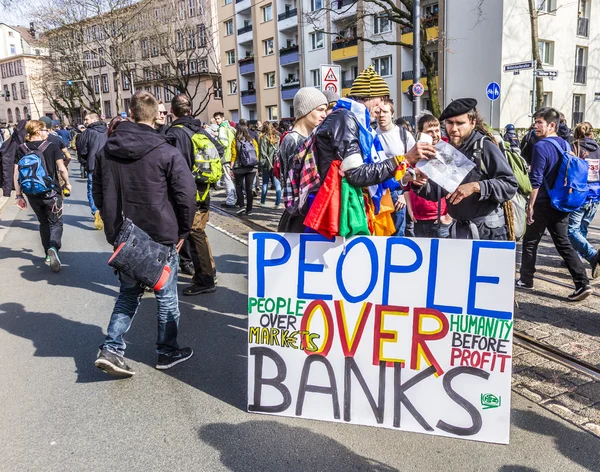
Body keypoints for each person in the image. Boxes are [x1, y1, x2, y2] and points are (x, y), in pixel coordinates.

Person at [92, 91, 197, 377]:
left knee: (128, 293)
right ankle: (167, 351)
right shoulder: (166, 150)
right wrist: (184, 230)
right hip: (161, 233)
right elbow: (187, 194)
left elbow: (98, 193)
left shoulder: (106, 150)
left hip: (125, 234)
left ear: (130, 112)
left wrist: (113, 226)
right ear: (156, 115)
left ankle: (111, 348)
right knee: (166, 295)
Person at [306, 66, 435, 236]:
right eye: (381, 100)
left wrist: (409, 174)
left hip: (350, 208)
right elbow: (356, 174)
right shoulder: (345, 118)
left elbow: (374, 176)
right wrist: (404, 159)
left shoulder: (359, 122)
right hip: (338, 212)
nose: (381, 107)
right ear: (370, 98)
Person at [413, 98, 518, 240]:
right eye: (450, 123)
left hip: (488, 232)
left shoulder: (485, 146)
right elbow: (435, 192)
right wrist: (419, 183)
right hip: (459, 232)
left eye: (460, 123)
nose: (454, 128)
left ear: (472, 123)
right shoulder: (446, 150)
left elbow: (510, 184)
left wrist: (476, 186)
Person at [516, 107, 592, 301]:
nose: (535, 126)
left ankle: (526, 280)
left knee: (530, 241)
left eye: (539, 122)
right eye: (535, 122)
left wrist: (530, 206)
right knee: (563, 242)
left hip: (542, 203)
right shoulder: (566, 145)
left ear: (551, 125)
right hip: (561, 202)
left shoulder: (541, 146)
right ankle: (582, 282)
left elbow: (536, 180)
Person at [167, 94, 223, 296]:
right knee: (199, 231)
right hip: (204, 188)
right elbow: (220, 150)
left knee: (194, 232)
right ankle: (210, 271)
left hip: (188, 192)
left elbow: (175, 167)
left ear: (172, 111)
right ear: (190, 110)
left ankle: (205, 279)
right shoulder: (199, 129)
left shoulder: (175, 133)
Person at [13, 120, 71, 272]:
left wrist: (18, 195)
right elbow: (62, 168)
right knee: (56, 222)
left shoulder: (21, 148)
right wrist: (67, 183)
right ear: (38, 131)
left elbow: (16, 173)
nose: (48, 132)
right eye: (45, 130)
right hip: (51, 193)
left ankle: (47, 254)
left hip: (32, 193)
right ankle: (53, 247)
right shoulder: (51, 147)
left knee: (43, 223)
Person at [277, 87, 328, 232]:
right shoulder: (293, 140)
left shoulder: (308, 138)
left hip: (305, 211)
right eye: (320, 109)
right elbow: (292, 183)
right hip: (298, 215)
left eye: (325, 110)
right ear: (305, 110)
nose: (324, 115)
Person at [375, 98, 415, 236]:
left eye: (385, 112)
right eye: (378, 112)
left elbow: (414, 166)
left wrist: (405, 194)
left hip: (398, 193)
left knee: (398, 236)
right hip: (378, 193)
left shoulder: (404, 135)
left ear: (392, 113)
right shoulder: (371, 135)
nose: (381, 115)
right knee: (379, 233)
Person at [409, 114, 452, 238]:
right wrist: (411, 211)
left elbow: (455, 184)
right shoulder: (414, 152)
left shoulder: (448, 152)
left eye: (437, 130)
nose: (434, 134)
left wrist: (449, 216)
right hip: (418, 219)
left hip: (440, 219)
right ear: (420, 133)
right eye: (429, 131)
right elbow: (405, 183)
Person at [567, 122, 600, 278]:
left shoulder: (575, 147)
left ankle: (593, 256)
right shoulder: (598, 149)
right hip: (596, 195)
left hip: (580, 195)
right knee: (583, 228)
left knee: (572, 230)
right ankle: (578, 257)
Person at [77, 113, 107, 230]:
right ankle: (106, 211)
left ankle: (96, 211)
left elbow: (82, 150)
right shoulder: (108, 131)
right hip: (107, 165)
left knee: (92, 189)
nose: (85, 121)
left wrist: (85, 162)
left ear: (94, 120)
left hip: (92, 165)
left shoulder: (87, 133)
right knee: (107, 189)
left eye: (86, 119)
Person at [231, 119, 259, 215]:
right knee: (249, 188)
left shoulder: (235, 141)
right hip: (251, 167)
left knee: (238, 186)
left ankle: (242, 206)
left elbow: (234, 155)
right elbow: (257, 154)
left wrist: (231, 168)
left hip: (239, 168)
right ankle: (249, 209)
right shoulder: (253, 141)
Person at [214, 111, 237, 208]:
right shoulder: (231, 129)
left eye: (218, 118)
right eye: (216, 119)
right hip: (232, 157)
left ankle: (230, 201)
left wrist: (216, 143)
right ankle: (235, 198)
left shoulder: (222, 129)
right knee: (232, 179)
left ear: (223, 118)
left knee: (227, 180)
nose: (217, 121)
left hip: (226, 157)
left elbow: (224, 144)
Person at [1, 119, 27, 198]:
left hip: (14, 181)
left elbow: (6, 168)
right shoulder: (27, 141)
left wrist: (7, 190)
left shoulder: (11, 142)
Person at [258, 121, 281, 208]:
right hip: (276, 164)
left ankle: (263, 202)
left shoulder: (263, 138)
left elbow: (263, 153)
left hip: (267, 164)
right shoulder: (277, 138)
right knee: (277, 184)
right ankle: (278, 203)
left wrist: (261, 165)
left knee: (265, 183)